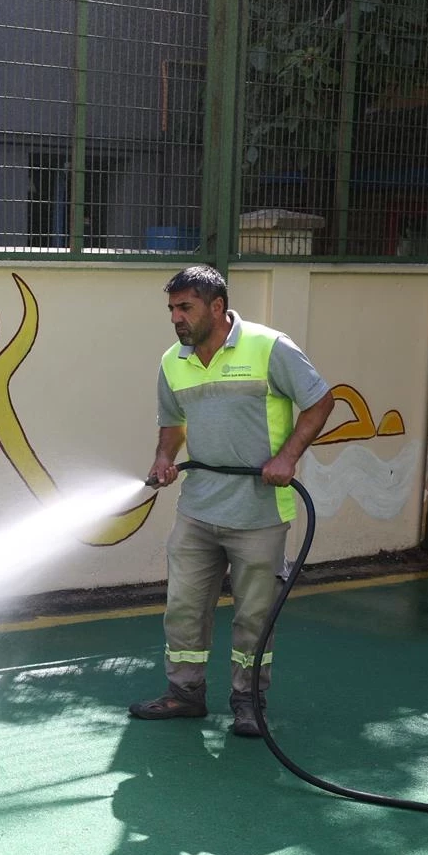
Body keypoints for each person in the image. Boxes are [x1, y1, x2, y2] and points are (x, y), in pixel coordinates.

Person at [129, 266, 335, 736]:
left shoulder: (269, 347)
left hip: (259, 514)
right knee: (182, 607)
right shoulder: (173, 361)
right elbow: (172, 422)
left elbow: (321, 401)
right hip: (198, 510)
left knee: (255, 615)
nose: (177, 319)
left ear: (217, 306)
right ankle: (184, 694)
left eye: (186, 308)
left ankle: (248, 702)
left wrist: (287, 457)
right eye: (172, 310)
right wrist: (164, 457)